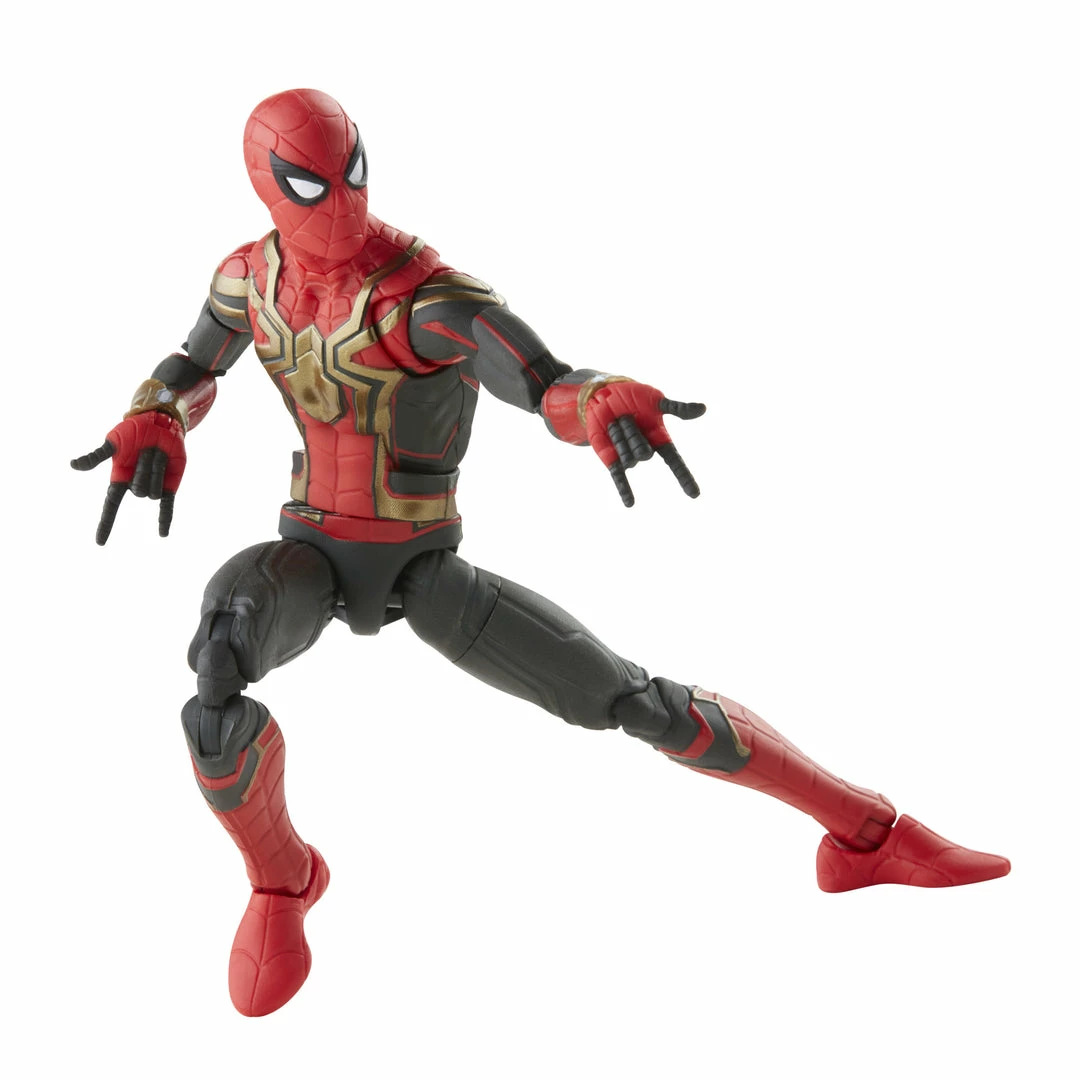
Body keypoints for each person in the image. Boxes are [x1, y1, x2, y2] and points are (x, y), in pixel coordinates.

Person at [72, 88, 1009, 1017]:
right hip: (308, 552)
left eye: (353, 172)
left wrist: (596, 400)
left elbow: (543, 383)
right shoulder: (249, 279)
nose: (344, 202)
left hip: (423, 567)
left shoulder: (425, 299)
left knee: (631, 701)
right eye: (312, 186)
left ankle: (865, 832)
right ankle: (284, 881)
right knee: (216, 675)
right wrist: (156, 415)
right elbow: (192, 365)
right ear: (266, 186)